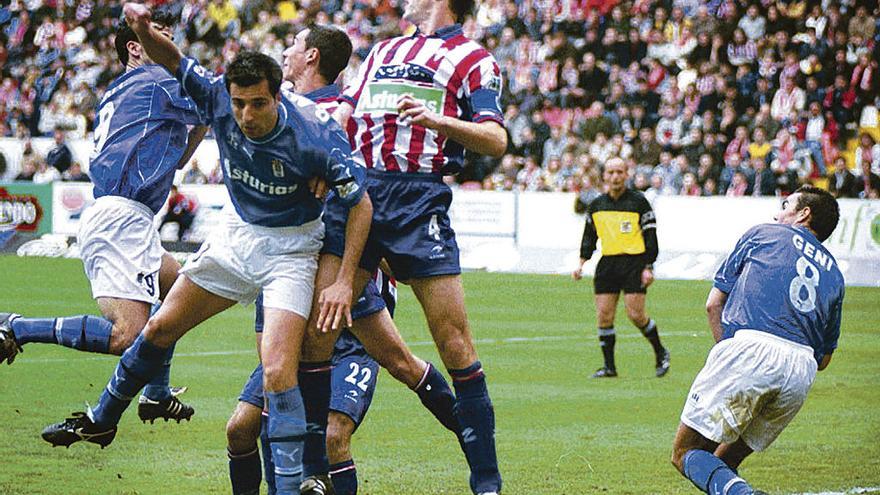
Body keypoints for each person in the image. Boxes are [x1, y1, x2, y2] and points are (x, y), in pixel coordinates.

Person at [41, 7, 373, 495]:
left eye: (258, 104)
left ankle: (289, 485)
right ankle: (102, 418)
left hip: (291, 251)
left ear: (278, 96)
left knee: (279, 369)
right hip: (235, 238)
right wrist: (138, 28)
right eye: (239, 104)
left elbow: (360, 205)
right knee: (158, 326)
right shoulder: (217, 96)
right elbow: (172, 56)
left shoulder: (316, 131)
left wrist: (344, 279)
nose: (246, 116)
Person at [224, 25, 462, 495]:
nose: (286, 52)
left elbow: (367, 190)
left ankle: (475, 434)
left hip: (345, 285)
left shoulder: (348, 113)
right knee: (249, 420)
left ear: (310, 56)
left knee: (392, 374)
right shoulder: (281, 111)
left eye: (293, 45)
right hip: (291, 279)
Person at [332, 0, 507, 491]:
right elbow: (343, 115)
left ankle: (486, 482)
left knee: (453, 342)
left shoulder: (476, 60)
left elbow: (495, 140)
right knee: (318, 331)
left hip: (417, 197)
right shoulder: (380, 50)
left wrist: (440, 123)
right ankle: (304, 471)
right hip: (359, 191)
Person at [0, 9, 207, 424]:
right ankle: (19, 327)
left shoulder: (120, 88)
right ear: (136, 46)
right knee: (125, 334)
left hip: (128, 216)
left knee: (181, 293)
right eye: (159, 38)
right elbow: (214, 102)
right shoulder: (159, 80)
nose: (172, 48)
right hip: (121, 219)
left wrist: (192, 135)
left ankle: (157, 394)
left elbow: (189, 135)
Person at [671, 186, 844, 495]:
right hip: (801, 371)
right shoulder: (835, 274)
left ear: (804, 213)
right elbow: (825, 359)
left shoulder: (764, 233)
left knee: (686, 453)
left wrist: (728, 356)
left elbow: (713, 304)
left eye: (785, 204)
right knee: (722, 466)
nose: (777, 213)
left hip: (751, 350)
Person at [572, 158, 670, 379]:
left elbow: (650, 237)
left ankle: (660, 352)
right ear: (604, 176)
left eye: (619, 172)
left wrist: (648, 266)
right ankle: (609, 367)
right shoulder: (597, 205)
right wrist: (581, 263)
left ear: (627, 175)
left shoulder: (639, 202)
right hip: (608, 264)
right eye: (611, 172)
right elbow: (589, 237)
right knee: (604, 316)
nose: (615, 176)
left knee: (635, 315)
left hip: (634, 263)